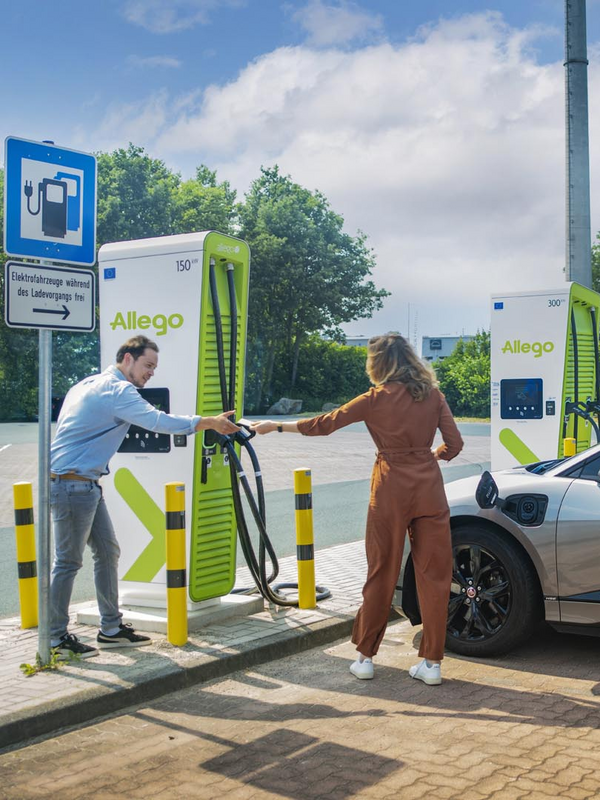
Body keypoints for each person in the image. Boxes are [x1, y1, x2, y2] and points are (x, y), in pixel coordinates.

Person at [251, 333, 463, 686]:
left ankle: (365, 657)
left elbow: (324, 424)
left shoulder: (375, 399)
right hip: (428, 489)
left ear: (379, 362)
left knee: (381, 570)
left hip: (390, 487)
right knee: (435, 576)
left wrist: (276, 426)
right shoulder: (433, 395)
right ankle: (432, 664)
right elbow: (454, 445)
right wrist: (430, 457)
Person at [50, 335, 239, 660]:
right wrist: (207, 422)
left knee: (108, 553)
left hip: (84, 483)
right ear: (127, 358)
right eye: (147, 365)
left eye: (154, 367)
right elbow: (155, 421)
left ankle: (111, 629)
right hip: (73, 485)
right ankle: (54, 638)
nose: (151, 372)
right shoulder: (118, 389)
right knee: (68, 562)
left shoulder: (87, 383)